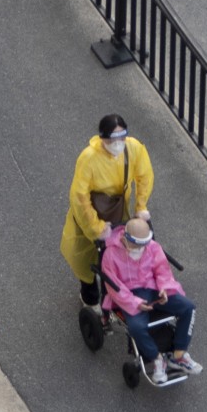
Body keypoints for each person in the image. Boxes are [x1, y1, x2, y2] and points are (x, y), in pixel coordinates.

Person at [61, 114, 154, 307]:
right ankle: (89, 295)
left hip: (118, 214)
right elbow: (80, 197)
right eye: (112, 138)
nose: (118, 143)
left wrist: (141, 207)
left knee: (118, 257)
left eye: (122, 137)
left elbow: (145, 176)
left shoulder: (134, 148)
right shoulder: (89, 158)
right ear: (103, 138)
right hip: (89, 217)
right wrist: (96, 227)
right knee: (85, 259)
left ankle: (118, 293)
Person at [100, 218, 203, 384]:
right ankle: (157, 359)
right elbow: (115, 288)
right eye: (138, 246)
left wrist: (164, 289)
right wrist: (135, 303)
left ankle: (179, 355)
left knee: (188, 307)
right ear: (125, 239)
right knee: (136, 327)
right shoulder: (110, 255)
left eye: (144, 245)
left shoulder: (152, 247)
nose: (141, 249)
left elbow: (162, 271)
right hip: (130, 295)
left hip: (154, 289)